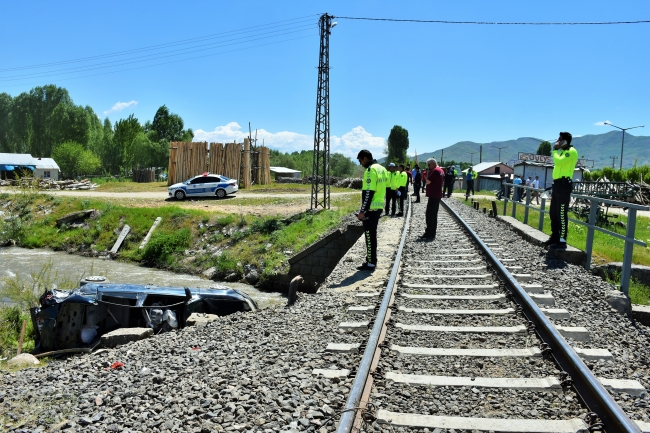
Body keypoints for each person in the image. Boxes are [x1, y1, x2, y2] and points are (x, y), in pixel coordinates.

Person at [545, 132, 578, 251]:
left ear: (565, 141)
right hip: (557, 185)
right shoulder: (563, 152)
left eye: (560, 140)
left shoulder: (571, 151)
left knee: (561, 214)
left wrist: (554, 150)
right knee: (553, 213)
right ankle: (555, 236)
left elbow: (558, 162)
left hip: (564, 186)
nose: (558, 141)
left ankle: (562, 240)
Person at [356, 149, 388, 271]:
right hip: (379, 206)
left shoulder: (370, 170)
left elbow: (368, 192)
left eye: (360, 160)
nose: (360, 164)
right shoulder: (382, 169)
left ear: (365, 158)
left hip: (371, 208)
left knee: (369, 235)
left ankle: (371, 263)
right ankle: (371, 260)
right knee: (372, 234)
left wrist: (363, 211)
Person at [420, 158, 444, 240]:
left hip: (433, 195)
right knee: (433, 215)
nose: (428, 167)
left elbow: (428, 181)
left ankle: (429, 233)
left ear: (433, 163)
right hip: (437, 195)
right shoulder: (441, 170)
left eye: (429, 165)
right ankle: (432, 233)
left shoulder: (435, 171)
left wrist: (426, 175)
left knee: (429, 215)